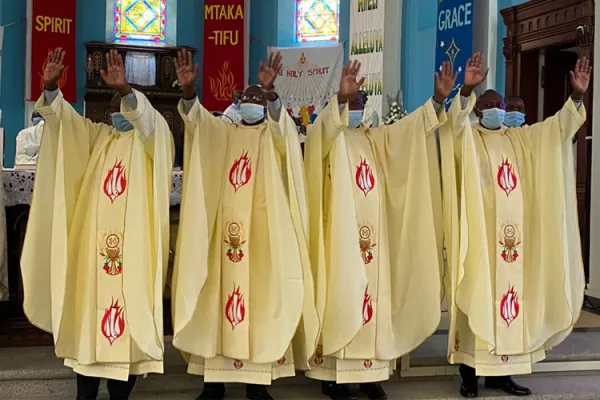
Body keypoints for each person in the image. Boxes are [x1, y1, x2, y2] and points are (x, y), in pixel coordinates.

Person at [21, 48, 174, 399]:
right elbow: (65, 124)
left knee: (127, 319)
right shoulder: (99, 137)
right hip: (92, 255)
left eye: (128, 103)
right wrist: (49, 87)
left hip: (133, 254)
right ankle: (84, 395)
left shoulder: (152, 140)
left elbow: (151, 124)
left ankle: (121, 395)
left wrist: (124, 90)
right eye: (116, 103)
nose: (121, 111)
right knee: (89, 323)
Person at [437, 53, 589, 398]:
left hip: (515, 243)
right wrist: (466, 91)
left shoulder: (519, 138)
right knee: (478, 300)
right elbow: (452, 125)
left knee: (512, 301)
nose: (498, 110)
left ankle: (503, 375)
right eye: (489, 104)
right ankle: (468, 374)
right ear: (477, 110)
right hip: (480, 240)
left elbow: (555, 132)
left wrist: (576, 97)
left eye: (500, 105)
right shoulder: (468, 137)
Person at [171, 50, 318, 400]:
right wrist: (189, 92)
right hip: (223, 239)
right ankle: (213, 384)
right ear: (238, 105)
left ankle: (257, 384)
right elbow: (196, 123)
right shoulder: (222, 131)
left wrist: (270, 92)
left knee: (261, 306)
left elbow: (287, 131)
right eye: (248, 98)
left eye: (259, 100)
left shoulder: (274, 134)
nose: (253, 103)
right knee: (215, 306)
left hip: (264, 242)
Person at [304, 60, 453, 400]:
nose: (355, 108)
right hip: (339, 241)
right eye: (349, 102)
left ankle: (370, 376)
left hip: (375, 244)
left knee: (373, 301)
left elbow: (413, 133)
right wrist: (340, 101)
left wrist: (437, 101)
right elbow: (323, 131)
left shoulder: (378, 139)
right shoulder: (328, 136)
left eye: (358, 103)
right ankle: (333, 376)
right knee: (341, 298)